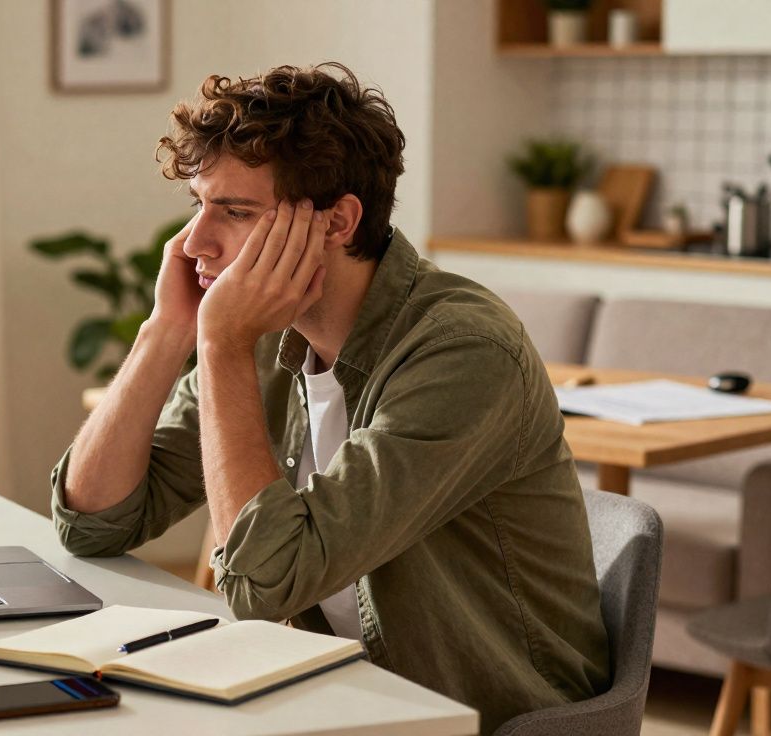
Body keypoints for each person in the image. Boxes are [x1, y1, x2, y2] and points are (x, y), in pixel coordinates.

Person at [50, 63, 610, 734]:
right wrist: (165, 330)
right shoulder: (265, 335)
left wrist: (221, 346)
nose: (196, 242)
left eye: (235, 211)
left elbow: (266, 582)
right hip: (339, 696)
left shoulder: (464, 352)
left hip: (480, 715)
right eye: (198, 206)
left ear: (338, 221)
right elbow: (92, 521)